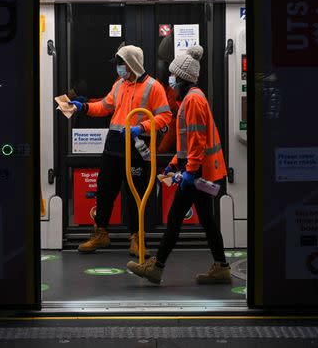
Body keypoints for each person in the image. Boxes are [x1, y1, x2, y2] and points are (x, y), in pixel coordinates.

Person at [127, 45, 231, 285]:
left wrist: (189, 172)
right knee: (206, 219)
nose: (170, 80)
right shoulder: (190, 99)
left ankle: (157, 267)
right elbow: (186, 143)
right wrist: (174, 165)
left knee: (175, 217)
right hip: (195, 170)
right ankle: (222, 266)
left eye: (173, 77)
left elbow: (197, 140)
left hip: (197, 172)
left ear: (183, 79)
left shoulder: (193, 101)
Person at [67, 44, 172, 256]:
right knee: (104, 191)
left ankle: (136, 239)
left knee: (136, 195)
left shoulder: (154, 87)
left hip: (137, 148)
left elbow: (165, 117)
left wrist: (140, 127)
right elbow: (105, 107)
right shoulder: (119, 85)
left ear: (132, 64)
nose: (118, 69)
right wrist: (83, 107)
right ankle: (101, 234)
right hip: (113, 146)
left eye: (121, 64)